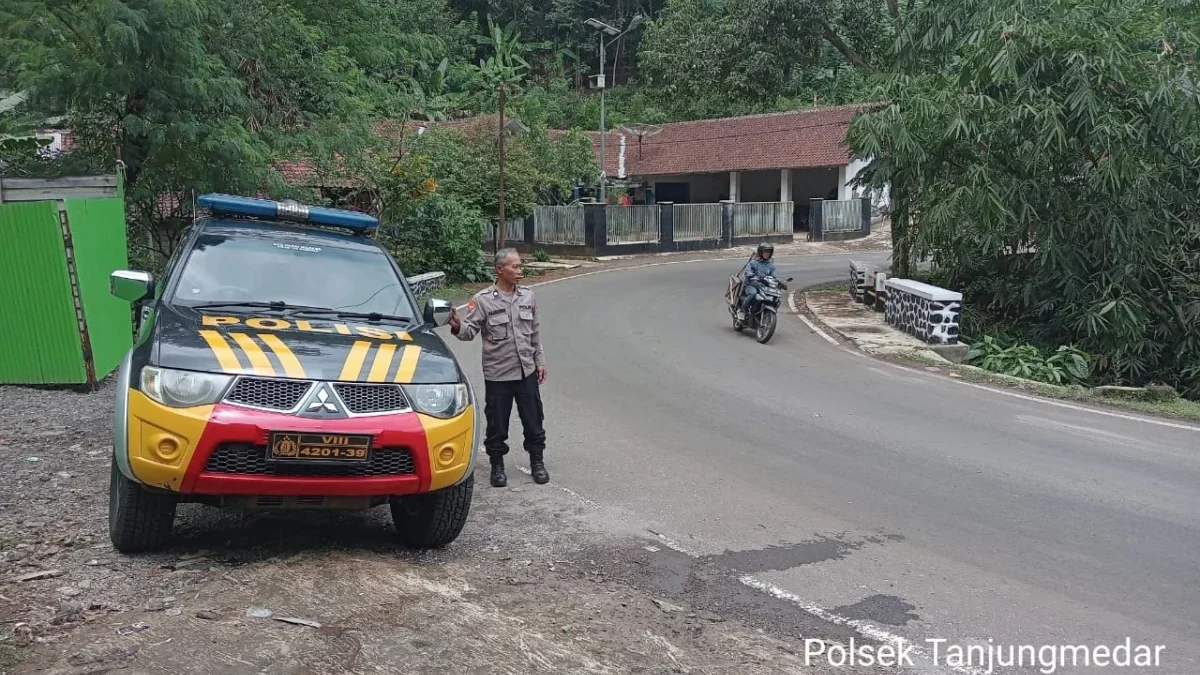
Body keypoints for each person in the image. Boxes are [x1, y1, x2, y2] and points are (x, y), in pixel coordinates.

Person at [448, 248, 549, 488]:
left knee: (534, 420)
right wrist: (456, 325)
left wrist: (540, 361)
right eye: (515, 267)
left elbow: (534, 331)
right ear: (499, 270)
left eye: (521, 266)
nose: (520, 271)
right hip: (498, 375)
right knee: (497, 424)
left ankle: (537, 462)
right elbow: (468, 332)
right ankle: (497, 466)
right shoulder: (483, 300)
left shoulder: (528, 296)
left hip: (526, 371)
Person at [737, 242, 777, 323]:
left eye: (769, 252)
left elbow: (774, 276)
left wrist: (779, 283)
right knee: (753, 294)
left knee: (774, 297)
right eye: (765, 252)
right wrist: (752, 275)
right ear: (760, 252)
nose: (767, 254)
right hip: (751, 285)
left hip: (763, 287)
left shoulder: (771, 266)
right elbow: (747, 271)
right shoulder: (753, 263)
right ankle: (742, 310)